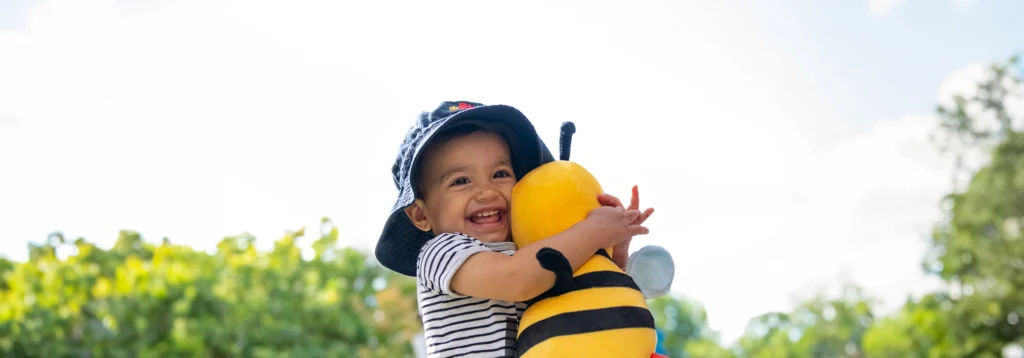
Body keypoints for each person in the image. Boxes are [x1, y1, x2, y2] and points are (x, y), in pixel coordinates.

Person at [375, 101, 654, 358]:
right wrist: (593, 231)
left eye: (500, 174)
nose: (486, 192)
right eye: (460, 181)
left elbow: (588, 295)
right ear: (422, 215)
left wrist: (613, 247)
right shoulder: (440, 251)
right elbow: (516, 279)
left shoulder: (529, 254)